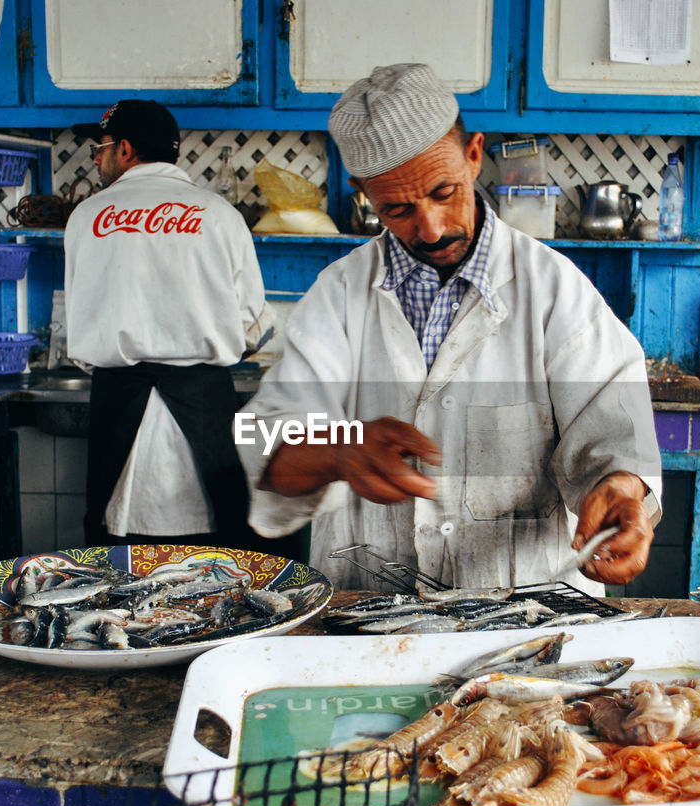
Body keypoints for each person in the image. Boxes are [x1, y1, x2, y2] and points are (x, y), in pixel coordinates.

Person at [236, 64, 662, 592]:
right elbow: (258, 436)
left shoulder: (554, 290)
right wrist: (337, 448)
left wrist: (623, 492)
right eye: (397, 208)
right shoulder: (338, 294)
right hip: (366, 614)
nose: (431, 229)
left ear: (474, 153)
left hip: (526, 622)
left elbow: (614, 428)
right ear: (362, 191)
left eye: (444, 191)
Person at [65, 99, 277, 552]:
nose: (96, 158)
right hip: (204, 402)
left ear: (124, 149)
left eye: (99, 148)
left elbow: (79, 326)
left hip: (117, 401)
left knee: (120, 557)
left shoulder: (86, 217)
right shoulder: (220, 215)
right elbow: (253, 325)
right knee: (218, 553)